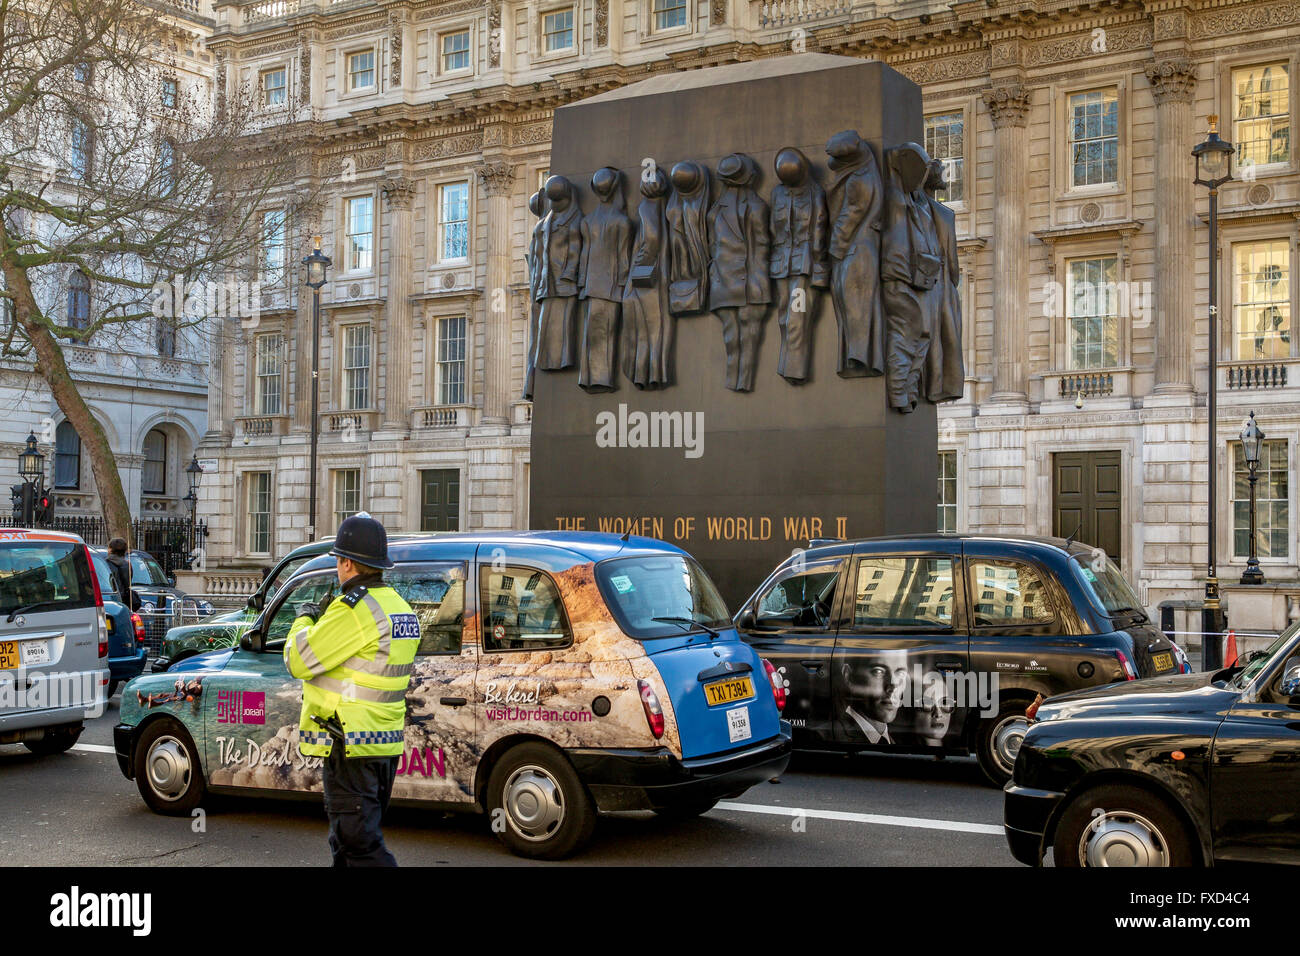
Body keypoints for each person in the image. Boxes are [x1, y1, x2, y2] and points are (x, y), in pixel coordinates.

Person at [283, 514, 420, 867]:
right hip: (383, 743)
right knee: (346, 845)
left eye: (337, 561)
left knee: (358, 844)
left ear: (346, 563)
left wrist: (304, 618)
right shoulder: (399, 607)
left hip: (351, 744)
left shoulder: (353, 610)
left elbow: (299, 659)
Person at [106, 537, 138, 610]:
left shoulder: (105, 564)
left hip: (110, 598)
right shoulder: (128, 565)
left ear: (110, 550)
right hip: (124, 600)